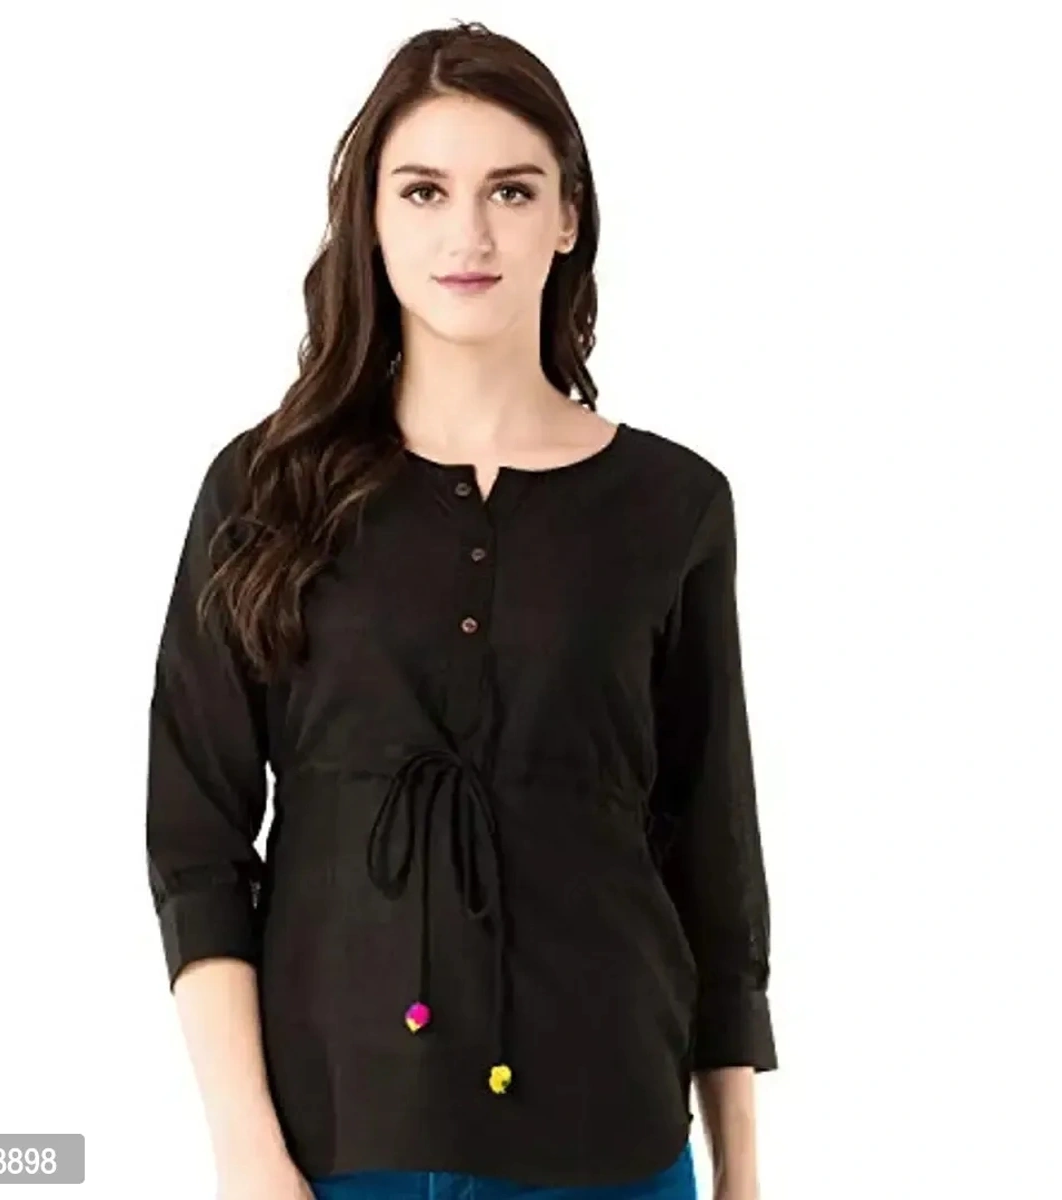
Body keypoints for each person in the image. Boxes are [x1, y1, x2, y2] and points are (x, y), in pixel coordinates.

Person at [145, 20, 777, 1200]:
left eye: (512, 190)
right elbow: (196, 843)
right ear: (372, 217)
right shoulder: (263, 488)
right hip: (338, 1144)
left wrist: (739, 1168)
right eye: (425, 190)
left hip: (614, 1138)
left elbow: (713, 854)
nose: (469, 235)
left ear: (568, 217)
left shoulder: (673, 505)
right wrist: (246, 1148)